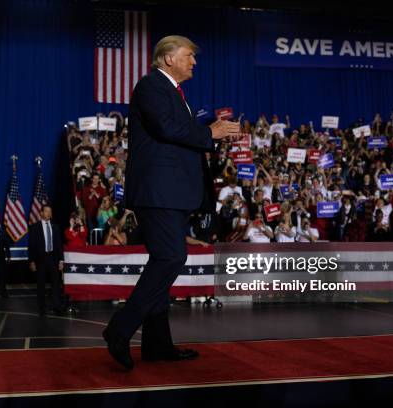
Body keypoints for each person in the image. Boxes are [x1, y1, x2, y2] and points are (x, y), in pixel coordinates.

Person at [102, 35, 240, 370]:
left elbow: (177, 133)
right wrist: (210, 133)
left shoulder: (177, 94)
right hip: (157, 191)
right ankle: (120, 329)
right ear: (168, 59)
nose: (194, 62)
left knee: (166, 261)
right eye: (189, 56)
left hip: (173, 192)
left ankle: (157, 345)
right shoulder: (150, 86)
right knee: (170, 257)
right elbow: (166, 128)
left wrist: (210, 134)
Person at [28, 204, 65, 316]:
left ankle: (56, 307)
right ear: (41, 213)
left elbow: (59, 245)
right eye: (47, 211)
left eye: (50, 211)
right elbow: (31, 246)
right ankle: (42, 309)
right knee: (41, 285)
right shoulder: (34, 227)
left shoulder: (55, 227)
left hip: (53, 259)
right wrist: (31, 261)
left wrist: (61, 260)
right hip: (40, 260)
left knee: (56, 284)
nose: (49, 213)